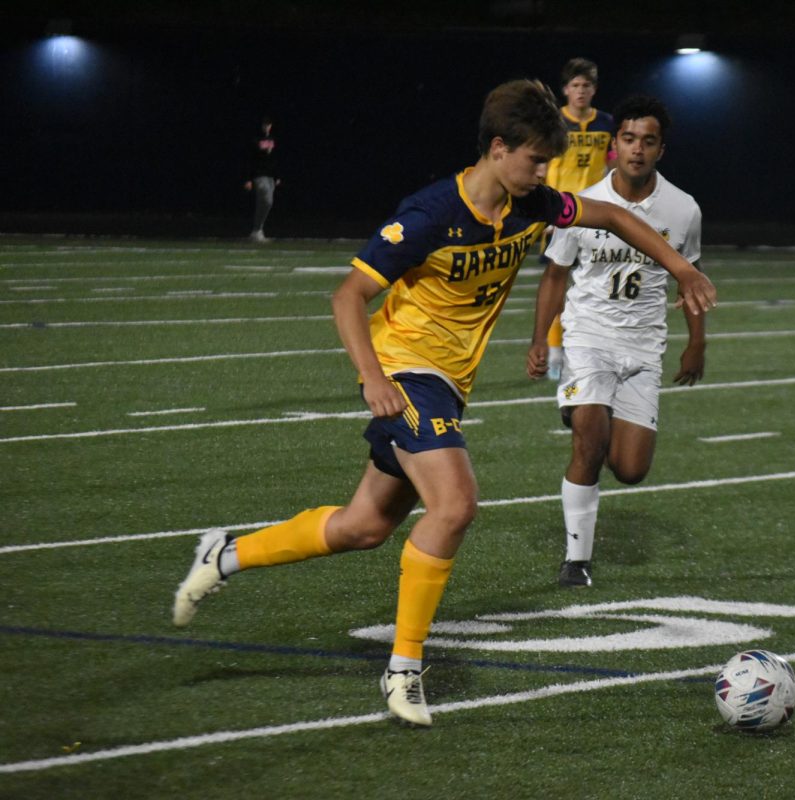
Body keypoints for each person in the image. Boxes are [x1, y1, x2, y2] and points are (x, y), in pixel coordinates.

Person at [173, 80, 716, 727]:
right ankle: (404, 669)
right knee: (455, 506)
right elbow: (348, 296)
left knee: (363, 527)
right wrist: (373, 377)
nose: (543, 173)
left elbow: (618, 218)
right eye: (535, 160)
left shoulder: (529, 203)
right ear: (498, 148)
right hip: (407, 373)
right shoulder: (431, 214)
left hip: (449, 385)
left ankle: (225, 554)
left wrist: (680, 269)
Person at [526, 95, 704, 589]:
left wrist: (697, 342)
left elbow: (691, 276)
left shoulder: (683, 208)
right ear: (614, 145)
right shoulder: (583, 202)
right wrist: (541, 339)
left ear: (661, 149)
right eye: (628, 139)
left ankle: (591, 418)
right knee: (589, 441)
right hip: (588, 338)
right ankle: (575, 561)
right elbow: (555, 275)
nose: (637, 150)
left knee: (629, 469)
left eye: (648, 141)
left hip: (644, 346)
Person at [541, 58, 617, 380]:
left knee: (595, 286)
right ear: (565, 89)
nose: (581, 91)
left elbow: (612, 164)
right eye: (575, 85)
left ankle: (592, 350)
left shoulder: (607, 123)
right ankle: (555, 353)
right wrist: (543, 210)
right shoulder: (553, 122)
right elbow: (541, 166)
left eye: (586, 85)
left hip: (595, 215)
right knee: (557, 286)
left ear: (594, 89)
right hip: (560, 215)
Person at [244, 115, 280, 242]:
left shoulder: (273, 139)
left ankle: (257, 230)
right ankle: (257, 230)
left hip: (270, 176)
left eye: (268, 124)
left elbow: (275, 159)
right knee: (267, 200)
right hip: (259, 175)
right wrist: (248, 179)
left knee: (264, 204)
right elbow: (250, 159)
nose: (266, 126)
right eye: (264, 124)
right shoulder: (256, 139)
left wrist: (277, 176)